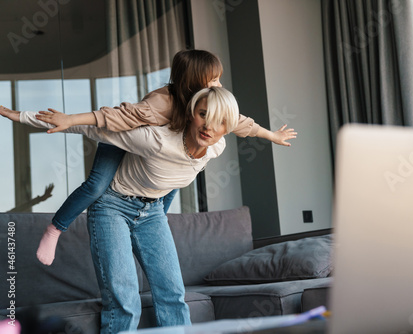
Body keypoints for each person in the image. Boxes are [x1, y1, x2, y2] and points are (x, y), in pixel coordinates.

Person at [23, 49, 296, 266]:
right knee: (96, 186)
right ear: (195, 83)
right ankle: (55, 229)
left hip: (158, 154)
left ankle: (144, 231)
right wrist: (69, 119)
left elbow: (238, 121)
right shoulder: (161, 103)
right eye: (214, 79)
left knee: (169, 186)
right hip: (121, 137)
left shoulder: (206, 106)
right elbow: (115, 118)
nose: (219, 84)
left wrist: (271, 135)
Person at [1, 86, 241, 333]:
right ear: (191, 113)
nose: (209, 127)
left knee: (173, 294)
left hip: (152, 212)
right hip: (112, 206)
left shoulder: (216, 147)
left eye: (220, 121)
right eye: (203, 114)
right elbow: (93, 127)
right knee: (125, 301)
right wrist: (22, 116)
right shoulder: (156, 140)